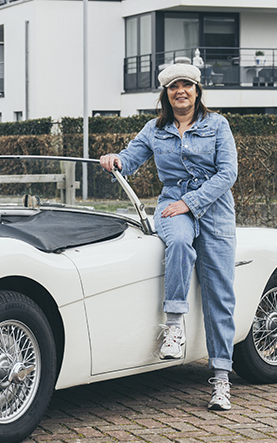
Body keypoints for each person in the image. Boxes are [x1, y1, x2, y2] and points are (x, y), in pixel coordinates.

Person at [100, 58, 238, 411]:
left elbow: (227, 175)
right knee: (176, 241)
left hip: (214, 212)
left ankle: (221, 379)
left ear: (197, 91)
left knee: (220, 294)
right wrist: (115, 158)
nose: (180, 91)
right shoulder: (154, 129)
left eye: (186, 85)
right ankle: (173, 325)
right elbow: (130, 159)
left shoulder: (218, 125)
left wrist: (191, 202)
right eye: (174, 86)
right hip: (172, 205)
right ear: (166, 93)